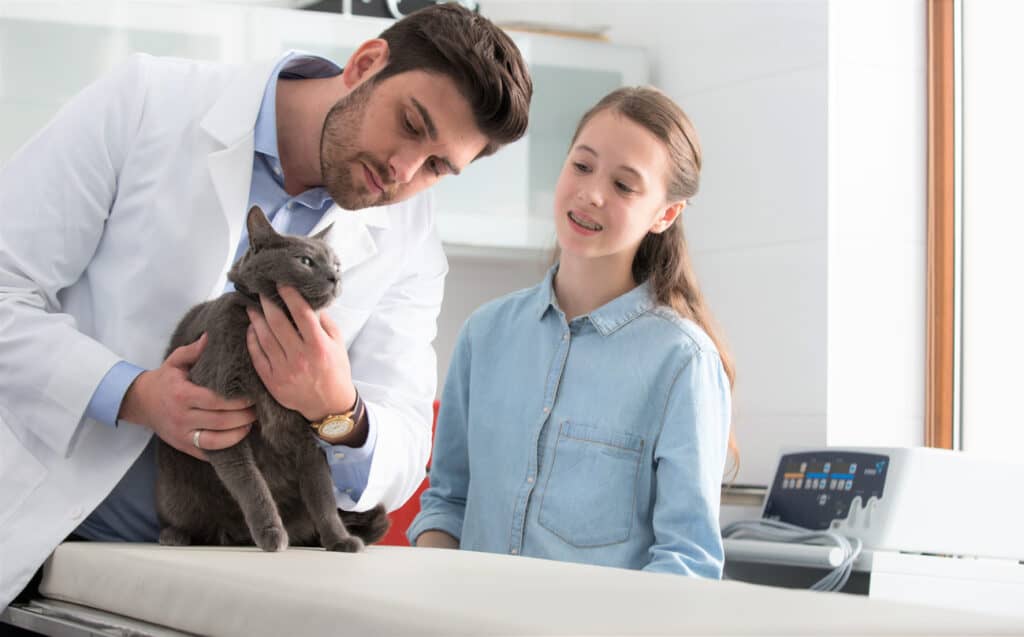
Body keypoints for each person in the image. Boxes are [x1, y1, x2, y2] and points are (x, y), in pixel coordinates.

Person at [0, 3, 532, 608]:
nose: (403, 172)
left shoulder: (409, 238)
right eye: (411, 123)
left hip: (236, 585)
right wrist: (135, 394)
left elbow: (407, 440)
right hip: (47, 553)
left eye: (438, 165)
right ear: (365, 65)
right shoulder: (147, 100)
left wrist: (338, 410)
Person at [407, 86, 736, 578]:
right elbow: (448, 502)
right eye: (581, 166)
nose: (591, 193)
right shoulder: (485, 335)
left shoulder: (682, 361)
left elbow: (687, 561)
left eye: (625, 186)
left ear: (665, 214)